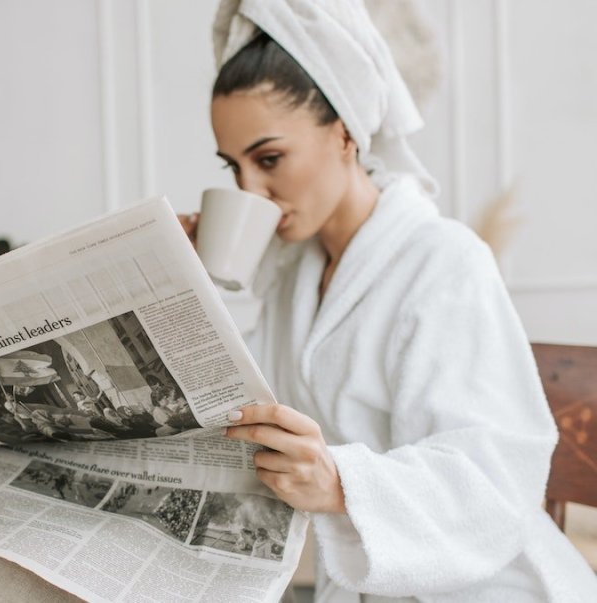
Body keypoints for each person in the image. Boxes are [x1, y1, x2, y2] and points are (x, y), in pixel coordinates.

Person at [179, 1, 597, 601]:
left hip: (491, 586)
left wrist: (340, 483)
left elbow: (494, 475)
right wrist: (176, 283)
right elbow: (237, 411)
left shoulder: (444, 261)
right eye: (234, 167)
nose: (251, 191)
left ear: (344, 132)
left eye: (269, 159)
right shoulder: (299, 276)